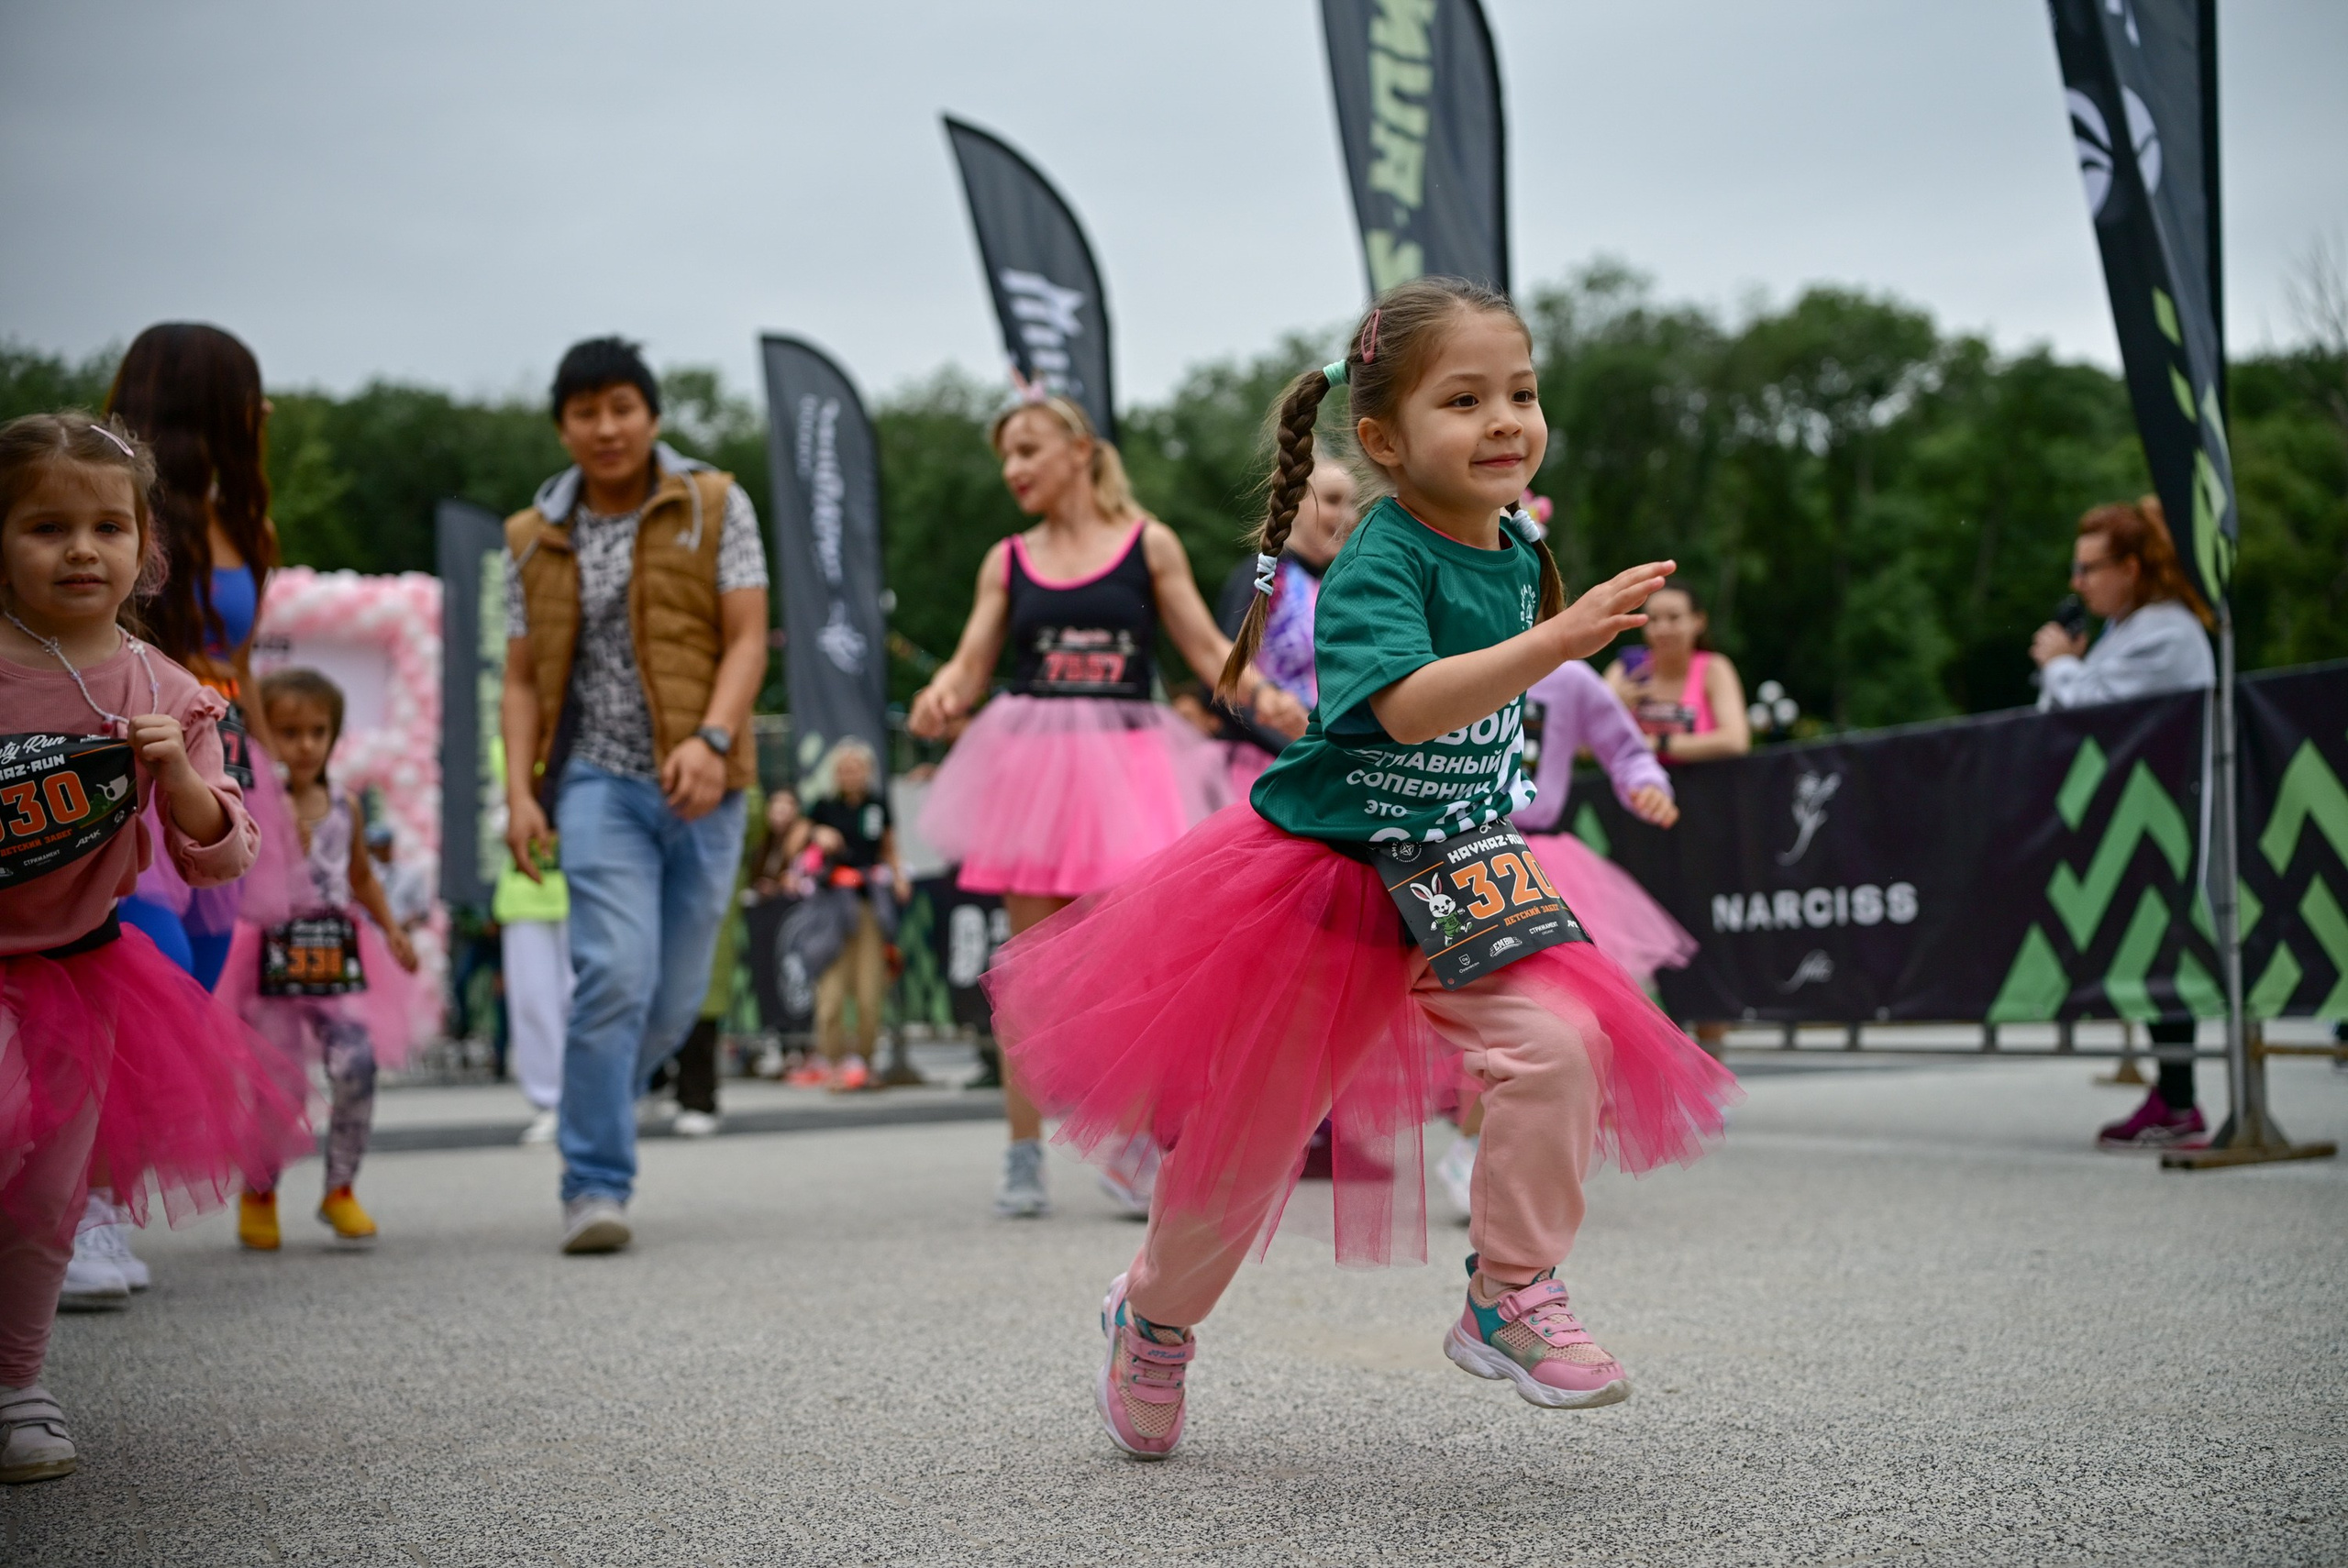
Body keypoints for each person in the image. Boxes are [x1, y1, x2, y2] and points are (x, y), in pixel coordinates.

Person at [980, 279, 1739, 1459]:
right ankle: (1154, 1322)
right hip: (1327, 885)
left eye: (1522, 395)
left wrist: (1565, 657)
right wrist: (1553, 641)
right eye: (1465, 399)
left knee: (1563, 1044)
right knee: (1245, 1149)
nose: (1504, 420)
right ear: (1381, 440)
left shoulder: (1518, 541)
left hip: (1458, 870)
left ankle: (1510, 1292)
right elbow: (1406, 705)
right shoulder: (1383, 556)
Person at [909, 390, 1308, 1220]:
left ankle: (1126, 1140)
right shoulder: (1008, 559)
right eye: (1006, 457)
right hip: (1034, 769)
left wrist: (1266, 697)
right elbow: (970, 662)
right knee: (1027, 974)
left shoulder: (1147, 542)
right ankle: (1023, 1150)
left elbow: (1205, 649)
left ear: (1079, 449)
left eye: (1028, 450)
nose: (1015, 469)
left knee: (1137, 964)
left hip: (1129, 768)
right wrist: (944, 693)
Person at [0, 412, 305, 1482]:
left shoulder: (166, 689)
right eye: (45, 526)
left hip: (82, 970)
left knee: (48, 1196)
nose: (81, 550)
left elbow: (221, 854)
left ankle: (19, 1387)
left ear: (142, 547)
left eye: (106, 527)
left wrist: (176, 772)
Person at [501, 338, 767, 1254]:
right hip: (594, 782)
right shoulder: (529, 537)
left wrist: (715, 738)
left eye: (621, 407)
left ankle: (593, 1103)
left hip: (707, 782)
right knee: (613, 972)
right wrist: (519, 793)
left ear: (651, 415)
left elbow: (747, 640)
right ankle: (595, 1182)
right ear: (563, 426)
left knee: (675, 994)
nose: (605, 427)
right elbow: (524, 680)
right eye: (584, 412)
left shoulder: (714, 503)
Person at [1441, 657, 1697, 1212]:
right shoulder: (1449, 657)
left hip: (1546, 859)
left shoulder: (1570, 678)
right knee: (1498, 1016)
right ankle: (1470, 1148)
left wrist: (1647, 784)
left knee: (1570, 1017)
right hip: (1465, 854)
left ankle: (1515, 1154)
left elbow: (1627, 751)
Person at [2031, 498, 2217, 1149]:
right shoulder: (2126, 632)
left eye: (2090, 570)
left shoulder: (2169, 630)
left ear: (2132, 568)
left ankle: (2182, 1101)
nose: (2078, 585)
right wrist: (2067, 667)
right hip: (2135, 821)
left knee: (2170, 956)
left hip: (2173, 819)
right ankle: (2171, 1095)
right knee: (2151, 955)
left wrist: (2060, 663)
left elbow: (2092, 707)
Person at [217, 669, 423, 1247]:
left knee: (356, 1062)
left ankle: (341, 1188)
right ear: (264, 736)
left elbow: (359, 875)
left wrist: (391, 930)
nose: (304, 745)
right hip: (269, 957)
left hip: (336, 955)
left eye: (317, 731)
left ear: (334, 737)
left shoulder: (346, 807)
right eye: (288, 732)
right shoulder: (249, 801)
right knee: (275, 1081)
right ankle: (260, 1188)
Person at [1213, 451, 1359, 792]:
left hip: (1322, 765)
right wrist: (1296, 751)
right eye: (1333, 500)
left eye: (1354, 503)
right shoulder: (1264, 577)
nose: (1349, 516)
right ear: (1294, 502)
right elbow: (1223, 674)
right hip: (1261, 769)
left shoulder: (1336, 586)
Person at [807, 738, 906, 1092]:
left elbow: (889, 848)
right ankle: (831, 1061)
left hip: (868, 901)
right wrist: (817, 835)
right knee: (831, 994)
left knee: (869, 991)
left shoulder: (876, 805)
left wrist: (898, 877)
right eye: (844, 768)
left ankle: (864, 1061)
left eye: (856, 768)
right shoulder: (822, 807)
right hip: (832, 902)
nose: (850, 774)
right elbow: (798, 846)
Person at [1602, 583, 1751, 766]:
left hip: (1704, 788)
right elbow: (1584, 747)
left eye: (1674, 618)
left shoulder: (1715, 669)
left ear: (1699, 622)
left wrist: (1659, 743)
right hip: (1635, 790)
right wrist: (1615, 707)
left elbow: (1736, 741)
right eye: (1653, 619)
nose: (1662, 629)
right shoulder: (1622, 671)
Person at [367, 823, 432, 933]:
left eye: (382, 845)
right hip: (372, 933)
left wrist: (403, 925)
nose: (378, 849)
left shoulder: (411, 873)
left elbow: (422, 910)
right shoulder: (366, 874)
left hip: (403, 933)